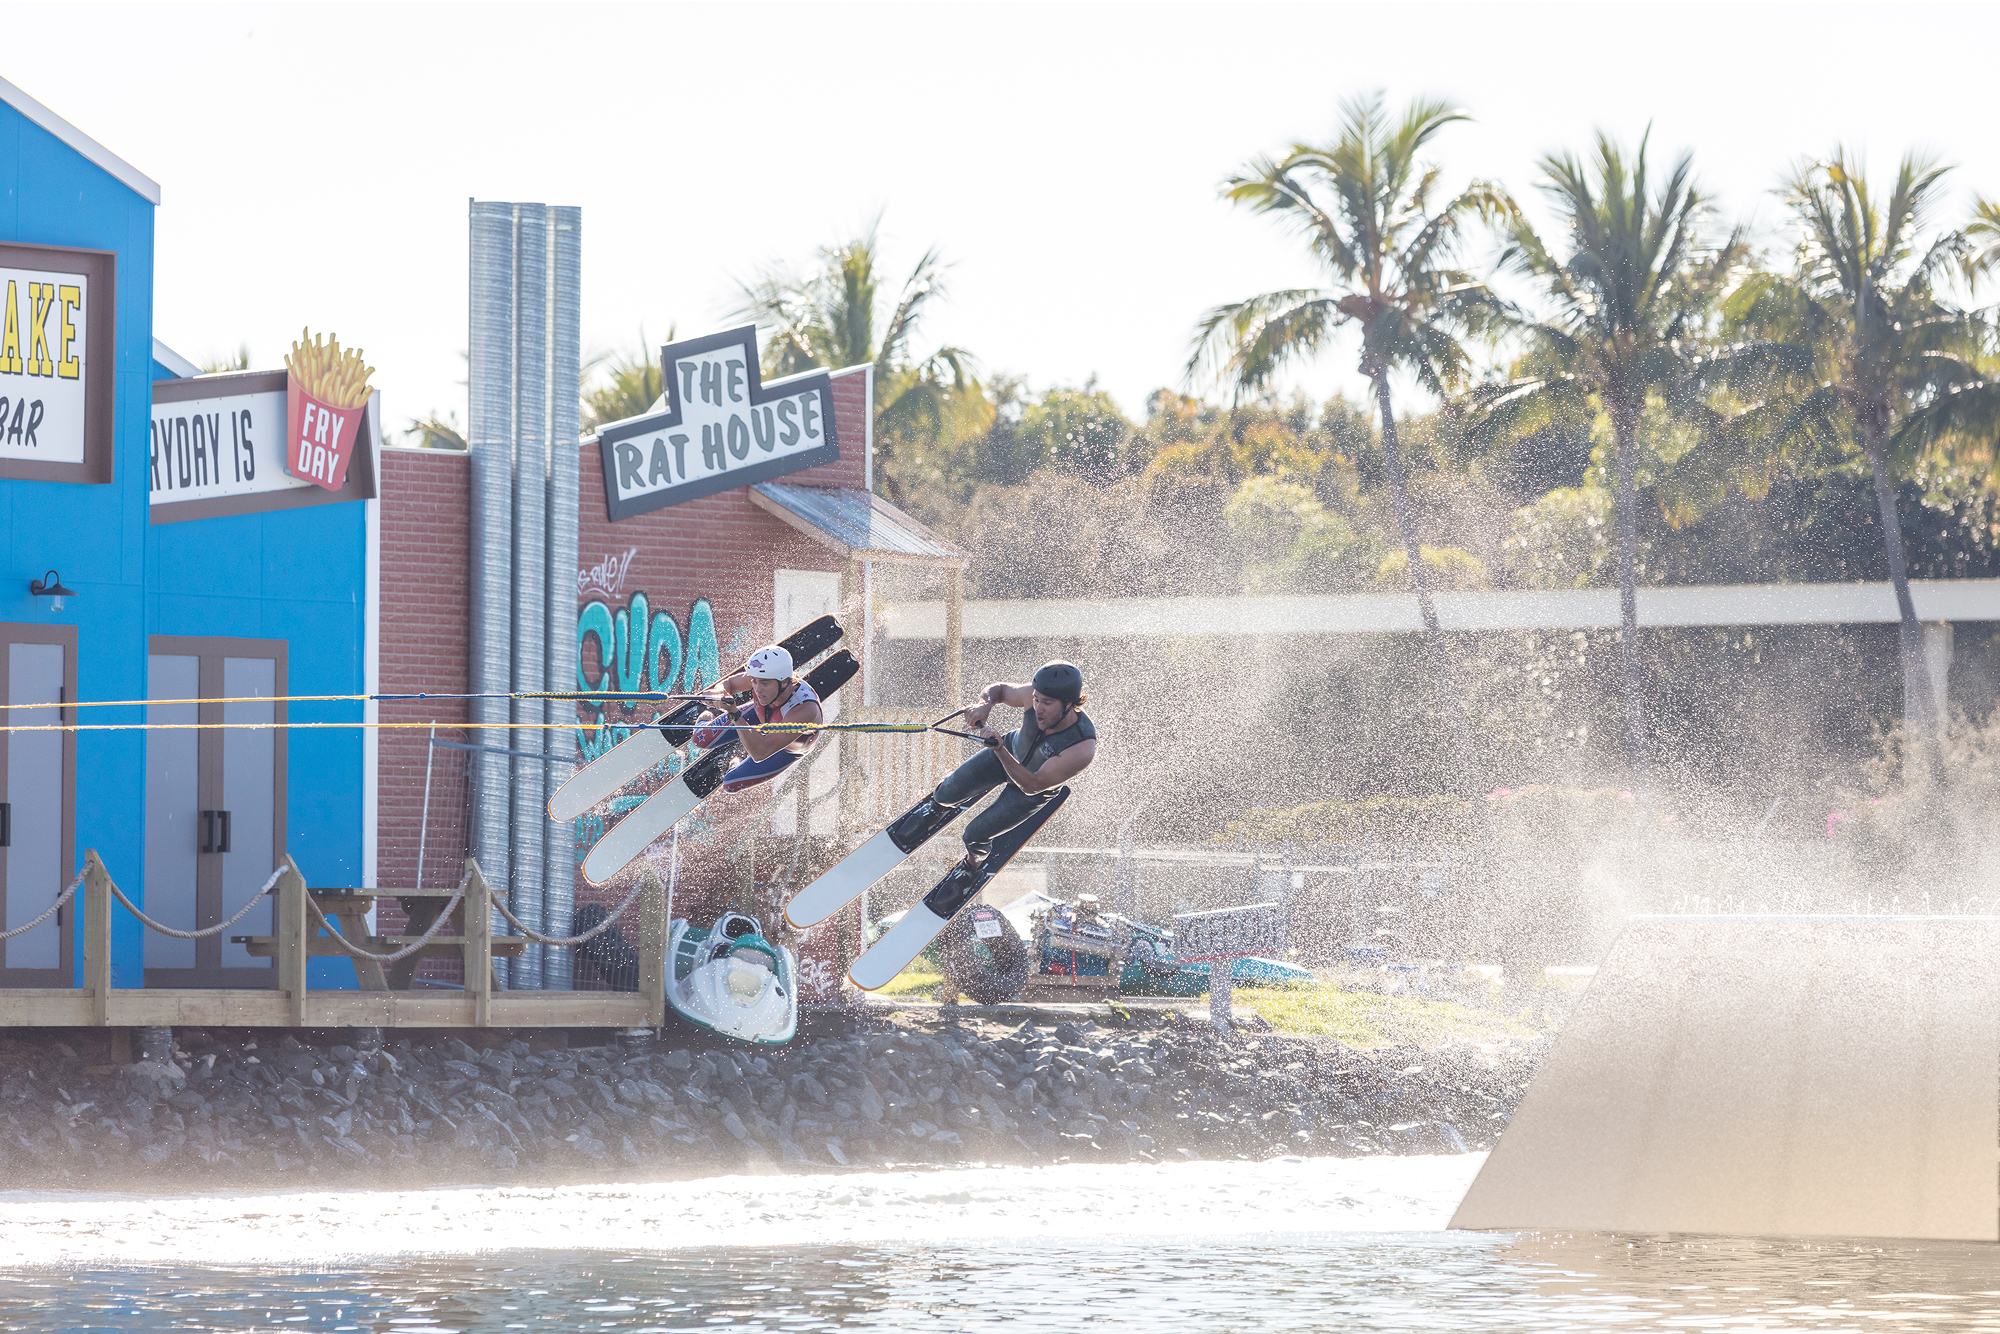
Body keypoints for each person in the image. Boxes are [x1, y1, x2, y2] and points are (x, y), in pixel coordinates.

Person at [932, 660, 1097, 886]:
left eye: (1047, 703)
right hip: (1008, 749)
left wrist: (999, 749)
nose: (1038, 708)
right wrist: (984, 704)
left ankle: (972, 868)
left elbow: (1032, 784)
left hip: (1031, 790)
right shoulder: (1033, 694)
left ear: (1069, 704)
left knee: (974, 835)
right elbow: (998, 690)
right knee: (943, 794)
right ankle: (941, 804)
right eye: (1036, 700)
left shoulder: (1082, 747)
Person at [690, 644, 824, 793]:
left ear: (785, 682)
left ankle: (736, 759)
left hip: (786, 750)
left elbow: (760, 752)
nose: (757, 689)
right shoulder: (762, 676)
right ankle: (706, 716)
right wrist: (719, 692)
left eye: (765, 684)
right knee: (699, 739)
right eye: (754, 681)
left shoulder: (804, 710)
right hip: (762, 715)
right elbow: (730, 684)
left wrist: (733, 712)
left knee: (730, 784)